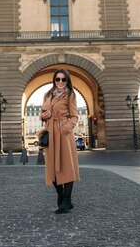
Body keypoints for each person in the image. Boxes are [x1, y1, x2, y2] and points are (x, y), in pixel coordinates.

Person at [40, 68, 80, 214]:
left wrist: (66, 128)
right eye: (58, 79)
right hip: (51, 132)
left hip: (64, 134)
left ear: (67, 80)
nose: (61, 82)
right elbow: (42, 113)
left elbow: (75, 116)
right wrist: (45, 115)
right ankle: (61, 195)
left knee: (66, 167)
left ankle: (67, 201)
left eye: (63, 79)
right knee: (52, 167)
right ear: (54, 80)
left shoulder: (70, 95)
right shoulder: (48, 95)